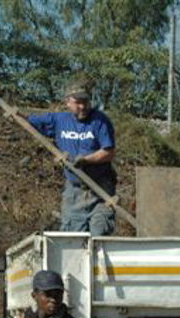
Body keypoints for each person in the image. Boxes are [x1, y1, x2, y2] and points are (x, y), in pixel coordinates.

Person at [28, 81, 117, 236]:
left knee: (99, 235)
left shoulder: (100, 121)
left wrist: (86, 160)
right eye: (77, 102)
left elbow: (108, 152)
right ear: (67, 102)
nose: (82, 106)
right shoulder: (58, 120)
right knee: (72, 238)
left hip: (101, 190)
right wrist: (11, 113)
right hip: (74, 191)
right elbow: (28, 120)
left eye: (85, 102)